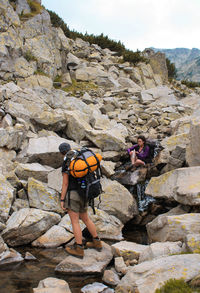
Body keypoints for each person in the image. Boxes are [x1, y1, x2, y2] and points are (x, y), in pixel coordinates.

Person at [59, 142, 102, 259]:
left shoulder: (66, 163)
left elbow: (65, 183)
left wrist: (62, 200)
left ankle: (79, 248)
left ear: (61, 153)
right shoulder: (80, 158)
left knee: (75, 222)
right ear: (70, 148)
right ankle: (97, 242)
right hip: (84, 193)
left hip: (73, 195)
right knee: (86, 219)